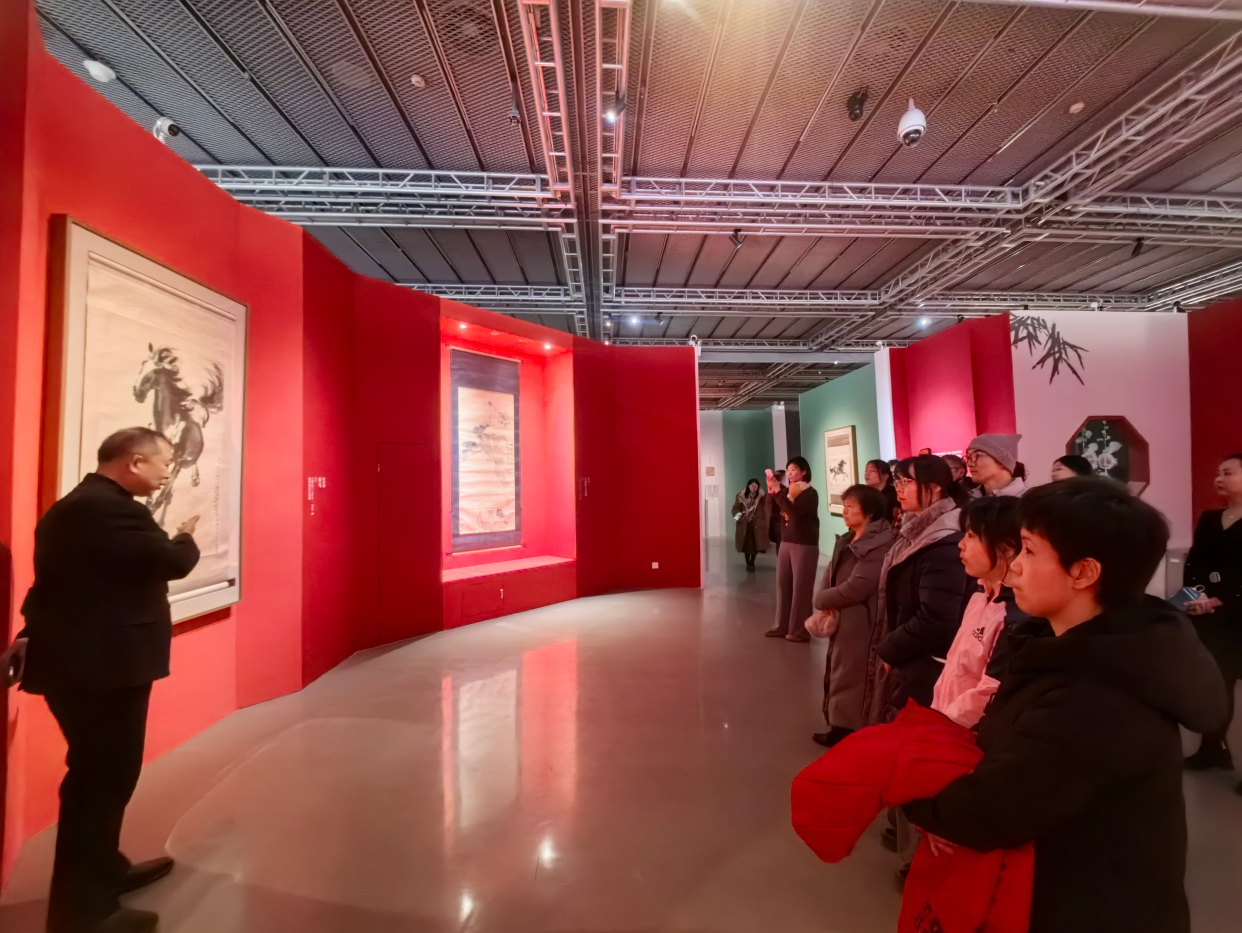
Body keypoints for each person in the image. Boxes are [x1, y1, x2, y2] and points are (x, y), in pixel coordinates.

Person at [902, 478, 1229, 933]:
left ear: (1083, 572)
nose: (1015, 565)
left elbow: (994, 809)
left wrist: (907, 789)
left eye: (1029, 550)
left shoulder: (1097, 696)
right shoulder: (1068, 647)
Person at [9, 428, 201, 933]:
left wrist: (29, 631)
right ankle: (82, 911)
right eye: (163, 464)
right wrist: (185, 533)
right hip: (100, 670)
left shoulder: (81, 507)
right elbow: (173, 562)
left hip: (92, 666)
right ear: (134, 462)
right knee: (100, 782)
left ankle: (105, 870)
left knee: (104, 777)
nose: (166, 475)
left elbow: (59, 588)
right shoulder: (106, 509)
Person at [807, 484, 895, 748]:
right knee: (839, 670)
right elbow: (832, 573)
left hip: (862, 621)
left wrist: (822, 599)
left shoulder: (878, 544)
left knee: (852, 674)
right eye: (843, 506)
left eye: (850, 507)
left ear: (869, 512)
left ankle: (847, 730)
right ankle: (838, 724)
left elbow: (857, 587)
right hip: (845, 617)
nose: (844, 511)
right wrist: (825, 595)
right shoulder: (849, 539)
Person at [931, 496, 1028, 728]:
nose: (961, 544)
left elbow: (989, 691)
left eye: (971, 535)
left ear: (1007, 548)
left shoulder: (1016, 613)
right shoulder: (979, 595)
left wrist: (943, 726)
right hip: (943, 722)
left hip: (967, 733)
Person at [1182, 453, 1242, 787]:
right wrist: (1191, 600)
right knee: (1217, 685)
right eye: (1218, 472)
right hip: (1211, 619)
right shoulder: (1209, 518)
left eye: (1228, 472)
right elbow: (1195, 565)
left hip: (1237, 614)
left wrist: (1220, 600)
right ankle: (1213, 750)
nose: (1219, 478)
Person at [767, 457, 819, 642]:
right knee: (783, 585)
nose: (790, 473)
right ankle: (781, 625)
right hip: (786, 541)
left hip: (804, 543)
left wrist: (778, 493)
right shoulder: (788, 492)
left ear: (804, 472)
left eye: (794, 469)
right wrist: (774, 492)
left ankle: (799, 630)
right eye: (788, 469)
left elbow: (794, 512)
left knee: (801, 589)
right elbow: (780, 511)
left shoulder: (810, 493)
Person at [731, 478, 771, 572]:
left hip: (757, 524)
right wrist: (738, 514)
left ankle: (752, 561)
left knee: (755, 544)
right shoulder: (741, 496)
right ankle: (747, 561)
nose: (754, 488)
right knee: (746, 544)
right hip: (745, 524)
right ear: (748, 486)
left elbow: (767, 507)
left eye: (755, 486)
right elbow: (736, 507)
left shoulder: (762, 497)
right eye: (752, 485)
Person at [865, 458, 900, 524]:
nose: (867, 474)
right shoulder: (864, 494)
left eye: (873, 471)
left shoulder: (895, 495)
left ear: (885, 476)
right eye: (866, 471)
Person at [767, 469, 786, 548]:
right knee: (780, 541)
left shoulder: (771, 489)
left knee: (779, 541)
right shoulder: (783, 490)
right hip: (780, 517)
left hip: (774, 517)